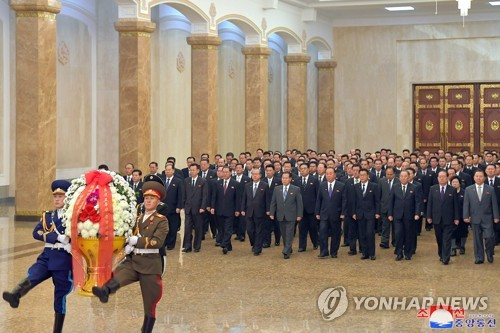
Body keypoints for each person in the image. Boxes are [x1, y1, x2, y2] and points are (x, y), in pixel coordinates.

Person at [92, 175, 168, 333]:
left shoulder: (162, 220)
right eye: (146, 197)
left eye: (152, 199)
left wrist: (137, 241)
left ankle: (146, 329)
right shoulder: (137, 218)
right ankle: (105, 292)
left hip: (150, 264)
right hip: (134, 260)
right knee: (119, 275)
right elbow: (128, 235)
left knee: (150, 302)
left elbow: (156, 242)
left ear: (158, 202)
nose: (148, 201)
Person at [3, 180, 72, 333]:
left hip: (64, 259)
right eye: (55, 196)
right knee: (32, 274)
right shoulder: (48, 216)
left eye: (61, 196)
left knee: (59, 297)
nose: (57, 199)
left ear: (68, 197)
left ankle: (57, 330)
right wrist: (56, 237)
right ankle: (15, 295)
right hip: (47, 256)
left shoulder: (72, 217)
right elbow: (36, 233)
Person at [463, 170, 500, 264]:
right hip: (475, 218)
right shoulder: (468, 189)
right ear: (474, 177)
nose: (478, 178)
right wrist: (466, 216)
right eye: (476, 176)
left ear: (484, 177)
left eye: (480, 176)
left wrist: (496, 216)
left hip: (487, 218)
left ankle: (489, 253)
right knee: (477, 239)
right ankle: (479, 257)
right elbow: (466, 204)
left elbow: (494, 204)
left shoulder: (490, 189)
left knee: (489, 237)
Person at [426, 171, 459, 265]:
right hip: (436, 218)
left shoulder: (452, 190)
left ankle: (446, 257)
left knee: (447, 239)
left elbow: (455, 205)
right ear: (437, 178)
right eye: (439, 177)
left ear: (447, 177)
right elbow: (430, 204)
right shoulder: (433, 189)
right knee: (439, 238)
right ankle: (441, 254)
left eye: (443, 177)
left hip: (448, 219)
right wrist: (429, 216)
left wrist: (456, 218)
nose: (441, 178)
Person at [269, 172, 303, 259]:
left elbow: (299, 203)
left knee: (289, 233)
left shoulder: (296, 189)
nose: (284, 179)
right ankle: (288, 247)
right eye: (283, 178)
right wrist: (272, 213)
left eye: (286, 178)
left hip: (291, 215)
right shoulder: (277, 189)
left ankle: (286, 251)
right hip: (280, 215)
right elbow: (273, 202)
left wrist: (299, 214)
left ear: (290, 179)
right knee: (283, 234)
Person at [315, 167, 347, 258]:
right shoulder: (322, 185)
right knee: (322, 233)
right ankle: (324, 251)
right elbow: (319, 200)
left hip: (336, 214)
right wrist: (317, 212)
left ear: (334, 175)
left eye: (330, 173)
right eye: (327, 174)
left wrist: (343, 212)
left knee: (336, 234)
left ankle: (334, 251)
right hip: (324, 214)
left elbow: (344, 200)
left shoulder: (341, 186)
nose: (328, 175)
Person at [388, 170, 421, 261]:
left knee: (408, 234)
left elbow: (418, 202)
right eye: (401, 176)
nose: (403, 178)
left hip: (409, 215)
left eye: (405, 176)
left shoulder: (414, 187)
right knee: (398, 234)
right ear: (399, 177)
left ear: (409, 177)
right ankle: (398, 253)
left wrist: (417, 213)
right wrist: (390, 214)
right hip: (397, 215)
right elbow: (391, 201)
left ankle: (408, 253)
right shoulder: (395, 187)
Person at [211, 166, 241, 254]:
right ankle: (228, 245)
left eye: (226, 172)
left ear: (231, 173)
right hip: (219, 210)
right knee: (222, 229)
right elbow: (214, 197)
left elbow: (237, 198)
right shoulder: (217, 183)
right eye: (223, 172)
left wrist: (237, 210)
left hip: (230, 211)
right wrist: (212, 207)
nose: (224, 174)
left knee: (228, 229)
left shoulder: (236, 184)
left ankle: (224, 244)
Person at [352, 168, 380, 260]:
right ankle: (365, 253)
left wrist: (377, 212)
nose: (362, 177)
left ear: (368, 176)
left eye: (364, 175)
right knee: (362, 234)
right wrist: (354, 213)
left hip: (371, 214)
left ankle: (372, 253)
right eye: (361, 175)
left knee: (370, 233)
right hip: (360, 214)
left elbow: (377, 201)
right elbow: (354, 201)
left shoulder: (374, 186)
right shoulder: (356, 186)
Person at [241, 168, 269, 256]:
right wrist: (242, 209)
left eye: (256, 174)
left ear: (260, 175)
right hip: (249, 211)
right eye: (253, 174)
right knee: (250, 230)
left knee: (259, 231)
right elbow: (244, 198)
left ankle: (257, 248)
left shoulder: (264, 185)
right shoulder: (247, 185)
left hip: (260, 212)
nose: (254, 176)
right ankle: (254, 244)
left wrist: (268, 210)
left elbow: (267, 199)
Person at [294, 163, 320, 252]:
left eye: (305, 168)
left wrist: (317, 210)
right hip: (301, 210)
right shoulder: (296, 180)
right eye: (301, 169)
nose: (303, 170)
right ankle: (302, 246)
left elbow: (318, 196)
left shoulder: (315, 180)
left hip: (312, 209)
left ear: (308, 169)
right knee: (302, 228)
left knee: (313, 228)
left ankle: (315, 242)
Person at [182, 163, 208, 252]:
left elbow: (205, 196)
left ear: (198, 170)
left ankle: (197, 246)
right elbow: (184, 194)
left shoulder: (202, 181)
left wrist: (203, 207)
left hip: (198, 209)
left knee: (198, 228)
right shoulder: (186, 181)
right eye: (190, 170)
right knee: (187, 228)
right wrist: (183, 205)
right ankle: (187, 246)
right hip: (188, 208)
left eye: (193, 170)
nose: (191, 172)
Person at [162, 164, 184, 250]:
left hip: (174, 208)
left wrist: (179, 206)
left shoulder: (178, 181)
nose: (167, 171)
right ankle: (164, 243)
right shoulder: (162, 181)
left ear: (173, 171)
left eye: (169, 170)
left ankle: (171, 244)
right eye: (166, 170)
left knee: (172, 227)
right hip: (163, 208)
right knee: (163, 227)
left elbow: (180, 195)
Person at [450, 176, 467, 256]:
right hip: (452, 216)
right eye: (453, 182)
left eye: (456, 182)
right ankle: (453, 248)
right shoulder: (449, 192)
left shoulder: (464, 192)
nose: (455, 184)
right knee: (452, 232)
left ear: (460, 183)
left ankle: (462, 247)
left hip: (463, 216)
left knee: (463, 232)